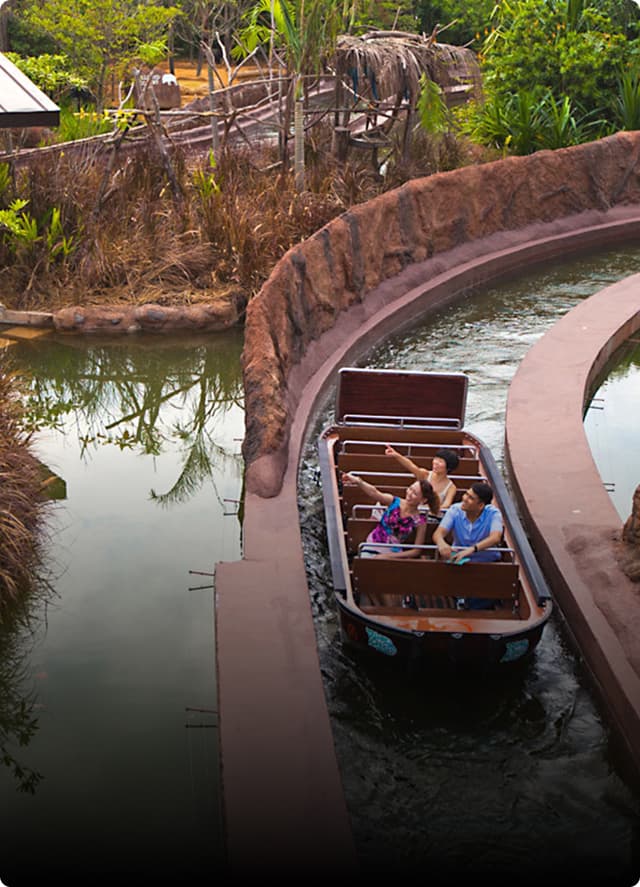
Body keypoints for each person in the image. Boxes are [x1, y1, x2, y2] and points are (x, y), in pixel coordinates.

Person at [341, 472, 440, 558]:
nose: (409, 494)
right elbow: (374, 493)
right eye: (410, 489)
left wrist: (388, 556)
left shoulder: (420, 520)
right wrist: (358, 481)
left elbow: (416, 550)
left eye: (415, 493)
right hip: (374, 543)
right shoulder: (394, 501)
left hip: (394, 552)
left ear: (423, 500)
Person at [432, 481, 503, 564]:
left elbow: (495, 538)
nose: (464, 499)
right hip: (458, 561)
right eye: (466, 494)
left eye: (471, 498)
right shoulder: (455, 510)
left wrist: (472, 549)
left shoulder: (493, 513)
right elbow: (438, 533)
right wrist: (441, 543)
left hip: (487, 562)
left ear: (480, 506)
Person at [384, 444, 460, 509]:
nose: (435, 462)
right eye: (436, 459)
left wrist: (430, 510)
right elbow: (411, 466)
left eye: (440, 461)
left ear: (449, 466)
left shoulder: (451, 487)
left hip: (434, 518)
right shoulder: (425, 475)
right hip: (416, 512)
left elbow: (446, 505)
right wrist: (396, 455)